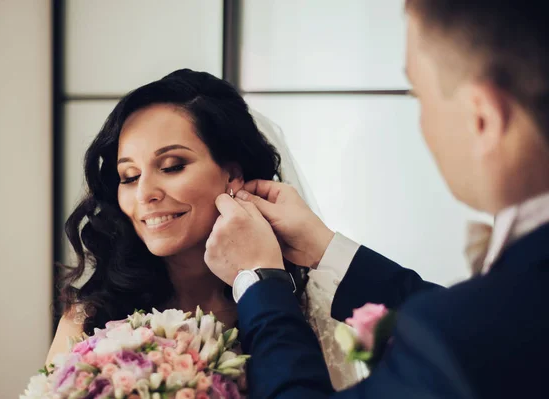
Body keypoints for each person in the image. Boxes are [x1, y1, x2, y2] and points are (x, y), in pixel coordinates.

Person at [204, 1, 549, 398]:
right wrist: (324, 247)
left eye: (417, 95)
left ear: (482, 118)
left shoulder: (458, 334)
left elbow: (475, 336)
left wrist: (258, 278)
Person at [45, 69, 365, 389]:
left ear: (232, 174)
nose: (145, 193)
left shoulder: (302, 309)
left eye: (172, 166)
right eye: (129, 176)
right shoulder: (89, 317)